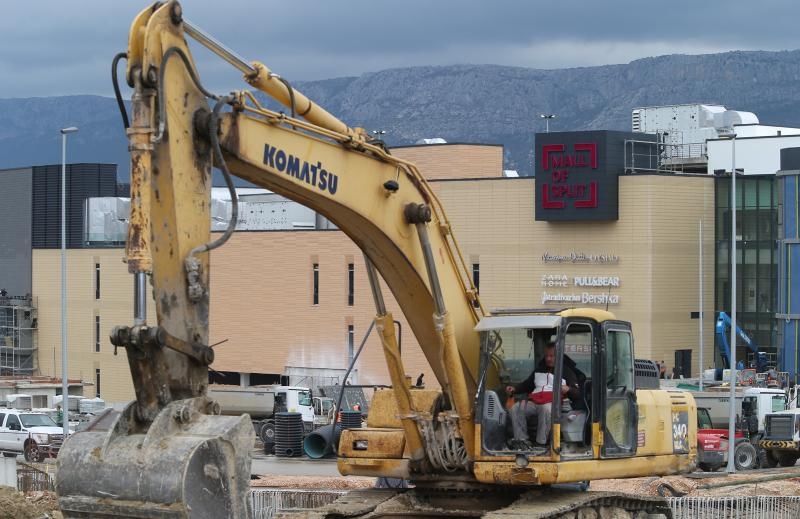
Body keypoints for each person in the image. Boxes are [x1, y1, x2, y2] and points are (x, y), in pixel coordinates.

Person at [505, 343, 581, 450]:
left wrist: (568, 389)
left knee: (546, 409)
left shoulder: (566, 371)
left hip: (552, 402)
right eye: (546, 356)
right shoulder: (538, 370)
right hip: (535, 400)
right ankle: (522, 441)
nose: (548, 359)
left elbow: (577, 394)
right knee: (516, 408)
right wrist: (514, 389)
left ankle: (541, 443)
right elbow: (527, 385)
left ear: (558, 356)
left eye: (551, 356)